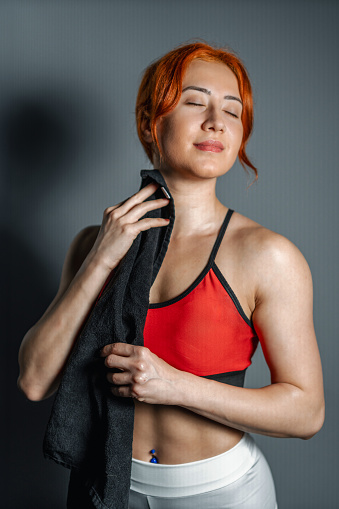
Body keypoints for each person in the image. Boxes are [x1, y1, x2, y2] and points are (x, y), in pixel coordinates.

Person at [18, 42, 324, 508]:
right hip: (110, 484)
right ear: (149, 122)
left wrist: (175, 385)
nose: (216, 121)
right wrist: (101, 257)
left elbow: (306, 412)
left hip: (222, 493)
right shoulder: (93, 244)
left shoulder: (267, 255)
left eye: (233, 111)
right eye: (195, 101)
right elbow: (35, 380)